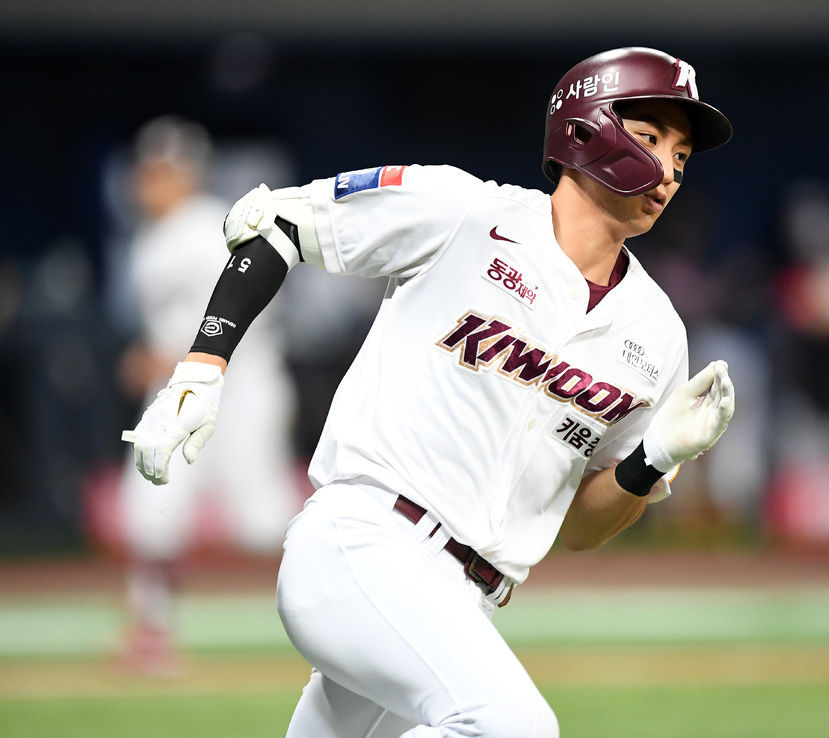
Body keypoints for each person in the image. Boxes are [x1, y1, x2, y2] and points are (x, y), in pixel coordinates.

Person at [123, 48, 736, 736]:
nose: (672, 170)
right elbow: (277, 226)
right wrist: (202, 369)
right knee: (511, 727)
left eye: (683, 155)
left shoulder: (656, 334)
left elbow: (582, 529)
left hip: (461, 601)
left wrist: (652, 456)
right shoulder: (465, 212)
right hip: (365, 544)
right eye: (652, 138)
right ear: (586, 129)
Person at [116, 116, 300, 672]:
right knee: (150, 508)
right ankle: (151, 628)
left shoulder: (208, 229)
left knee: (264, 522)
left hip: (240, 386)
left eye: (166, 171)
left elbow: (248, 313)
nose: (153, 182)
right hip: (179, 390)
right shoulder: (149, 239)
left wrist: (168, 354)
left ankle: (336, 610)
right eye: (148, 171)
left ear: (189, 174)